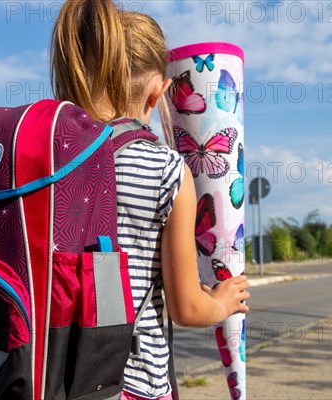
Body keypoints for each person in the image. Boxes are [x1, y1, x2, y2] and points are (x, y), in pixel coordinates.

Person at [51, 1, 250, 399]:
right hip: (133, 386)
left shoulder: (51, 160)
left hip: (53, 379)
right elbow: (187, 308)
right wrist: (223, 302)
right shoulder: (166, 170)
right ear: (160, 89)